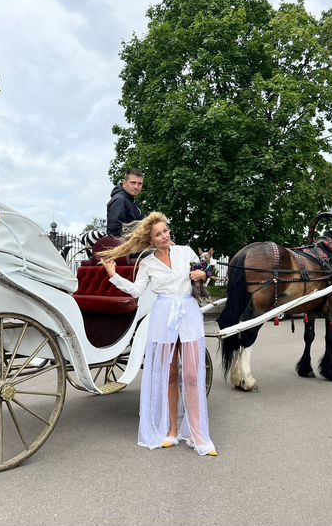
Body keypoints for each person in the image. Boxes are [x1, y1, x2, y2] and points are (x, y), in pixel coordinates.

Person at [99, 212, 217, 456]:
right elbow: (136, 290)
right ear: (150, 240)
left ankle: (198, 434)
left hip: (188, 312)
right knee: (170, 375)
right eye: (158, 234)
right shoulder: (148, 263)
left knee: (193, 375)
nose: (164, 236)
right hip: (163, 315)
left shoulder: (186, 252)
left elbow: (204, 278)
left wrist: (202, 275)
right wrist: (113, 276)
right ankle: (172, 431)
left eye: (165, 231)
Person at [106, 169, 144, 237]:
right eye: (133, 183)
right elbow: (114, 232)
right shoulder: (120, 200)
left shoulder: (133, 202)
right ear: (124, 183)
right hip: (126, 246)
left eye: (139, 184)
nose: (136, 187)